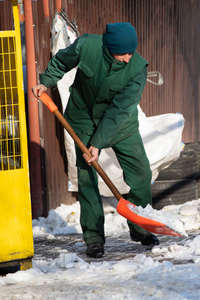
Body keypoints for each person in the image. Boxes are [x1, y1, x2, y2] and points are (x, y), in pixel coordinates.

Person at [32, 22, 159, 258]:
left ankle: (140, 227)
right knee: (87, 177)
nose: (129, 58)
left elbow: (120, 110)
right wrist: (47, 80)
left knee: (141, 173)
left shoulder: (138, 69)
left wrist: (98, 144)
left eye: (132, 52)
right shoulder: (87, 46)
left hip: (121, 123)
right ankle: (93, 239)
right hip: (82, 118)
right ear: (110, 48)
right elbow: (61, 61)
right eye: (124, 53)